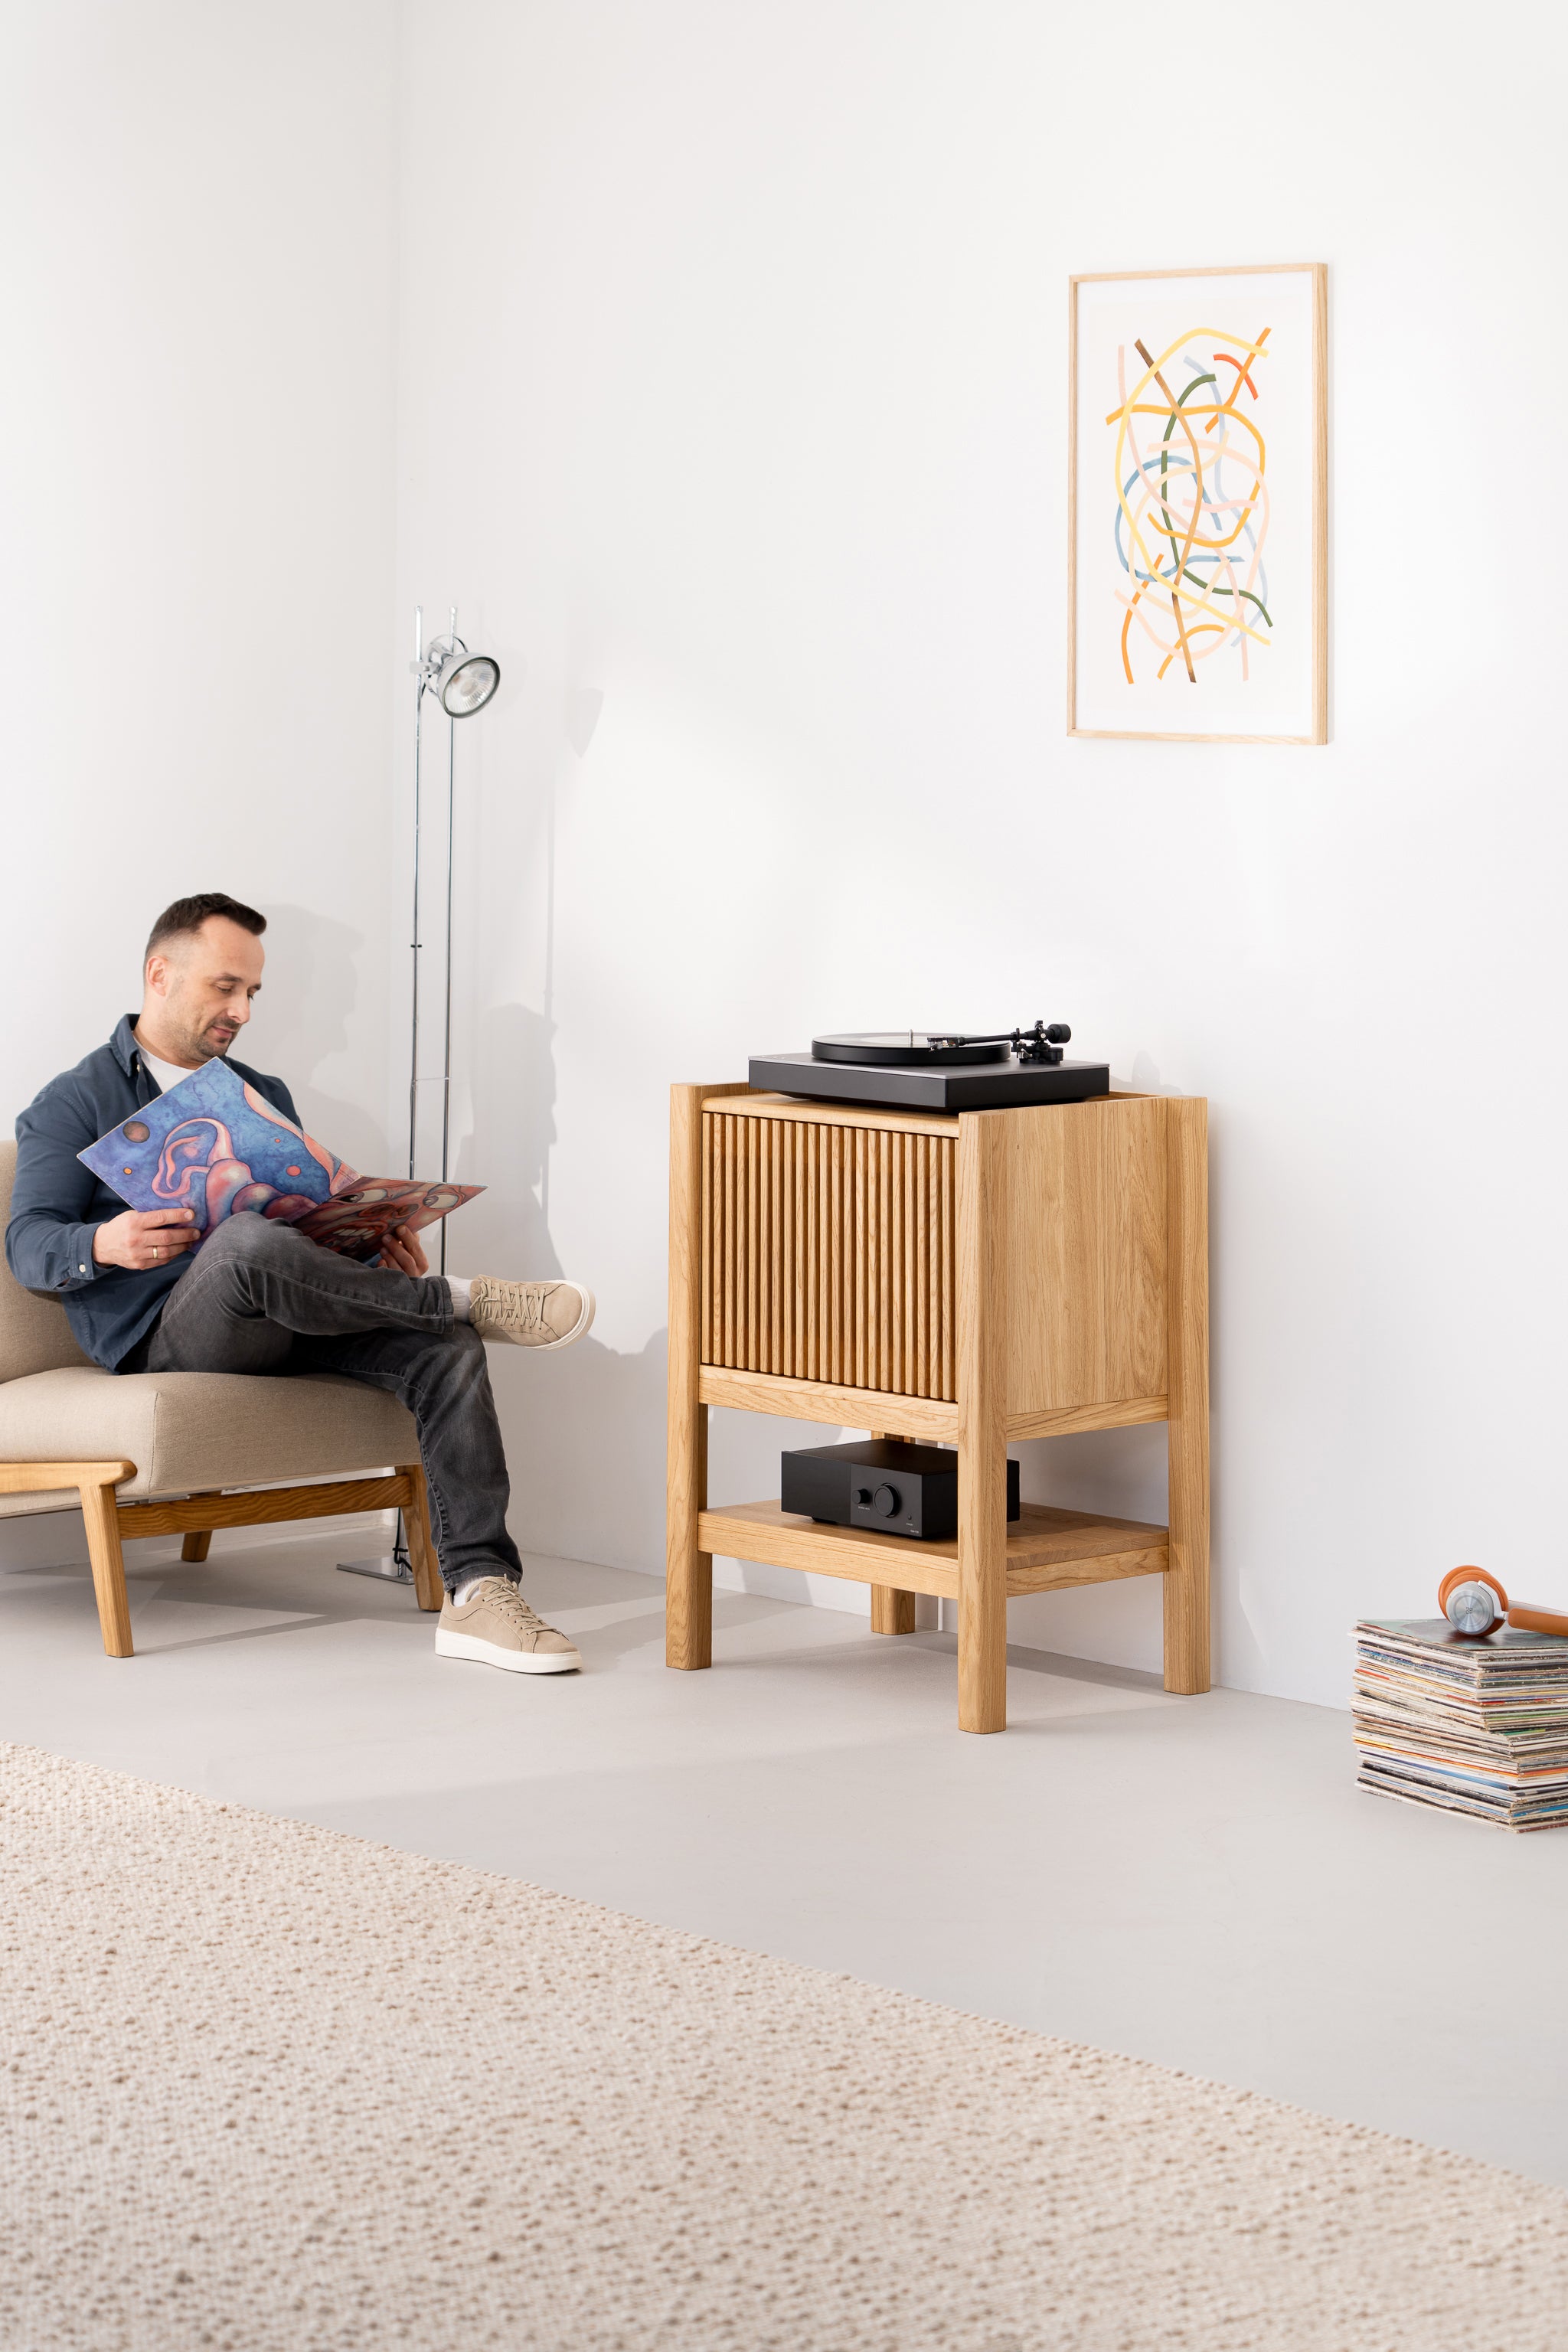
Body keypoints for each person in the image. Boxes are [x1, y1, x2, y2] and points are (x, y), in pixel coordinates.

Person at [6, 892, 591, 1677]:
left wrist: (369, 1243)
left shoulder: (259, 1093)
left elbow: (301, 1223)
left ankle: (480, 1592)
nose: (242, 1011)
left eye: (252, 991)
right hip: (167, 1337)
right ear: (159, 975)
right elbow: (27, 1243)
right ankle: (466, 1299)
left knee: (445, 1350)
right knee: (246, 1244)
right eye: (225, 987)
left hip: (283, 1313)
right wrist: (103, 1242)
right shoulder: (75, 1100)